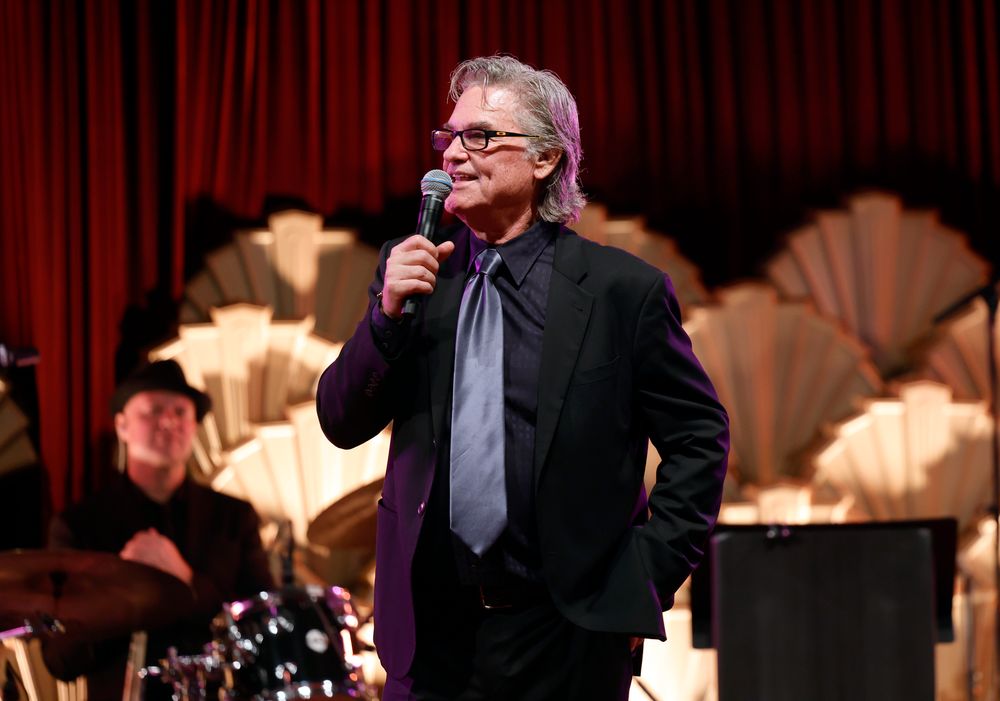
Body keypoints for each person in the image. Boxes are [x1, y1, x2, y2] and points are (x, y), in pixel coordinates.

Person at [316, 55, 729, 700]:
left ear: (545, 160)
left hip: (565, 634)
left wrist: (643, 576)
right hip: (433, 635)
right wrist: (386, 318)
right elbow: (340, 421)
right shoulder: (417, 278)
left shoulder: (623, 292)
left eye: (479, 136)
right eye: (447, 137)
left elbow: (700, 440)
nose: (452, 155)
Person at [43, 359, 275, 699]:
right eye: (152, 410)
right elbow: (60, 660)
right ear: (122, 426)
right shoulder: (79, 525)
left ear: (195, 425)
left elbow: (264, 634)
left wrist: (184, 579)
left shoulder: (234, 517)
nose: (169, 420)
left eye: (180, 411)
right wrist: (118, 588)